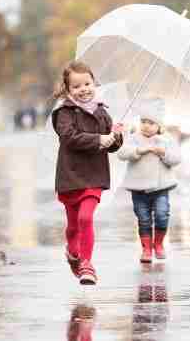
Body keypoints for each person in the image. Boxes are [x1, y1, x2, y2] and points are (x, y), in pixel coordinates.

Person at [51, 60, 124, 285]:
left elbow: (110, 146)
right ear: (67, 89)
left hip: (94, 175)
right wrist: (99, 139)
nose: (83, 89)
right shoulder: (64, 112)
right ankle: (73, 253)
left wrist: (115, 137)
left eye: (87, 83)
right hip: (70, 175)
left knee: (85, 218)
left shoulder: (102, 112)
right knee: (73, 226)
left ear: (94, 83)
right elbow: (69, 137)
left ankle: (87, 264)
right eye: (77, 86)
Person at [116, 98, 181, 263]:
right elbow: (122, 153)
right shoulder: (134, 138)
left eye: (151, 123)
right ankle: (146, 248)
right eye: (143, 121)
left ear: (159, 126)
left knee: (162, 214)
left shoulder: (166, 140)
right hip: (138, 188)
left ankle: (158, 244)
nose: (146, 125)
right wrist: (138, 150)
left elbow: (176, 159)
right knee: (143, 218)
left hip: (161, 187)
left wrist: (163, 153)